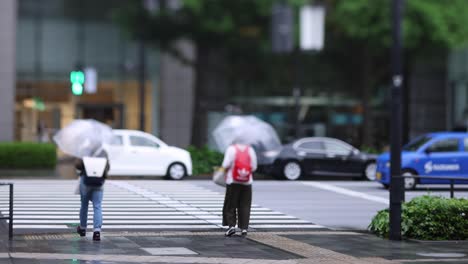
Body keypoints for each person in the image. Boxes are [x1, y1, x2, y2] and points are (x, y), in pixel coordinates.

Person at [221, 139, 257, 236]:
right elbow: (254, 166)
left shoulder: (231, 149)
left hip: (233, 181)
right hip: (247, 181)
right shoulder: (250, 149)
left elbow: (225, 164)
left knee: (231, 204)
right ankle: (244, 228)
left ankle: (231, 226)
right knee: (245, 204)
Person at [75, 147, 110, 241]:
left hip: (86, 181)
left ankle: (82, 228)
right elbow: (108, 167)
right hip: (98, 181)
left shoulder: (85, 150)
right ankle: (97, 232)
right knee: (97, 206)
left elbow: (78, 165)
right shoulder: (103, 152)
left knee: (84, 205)